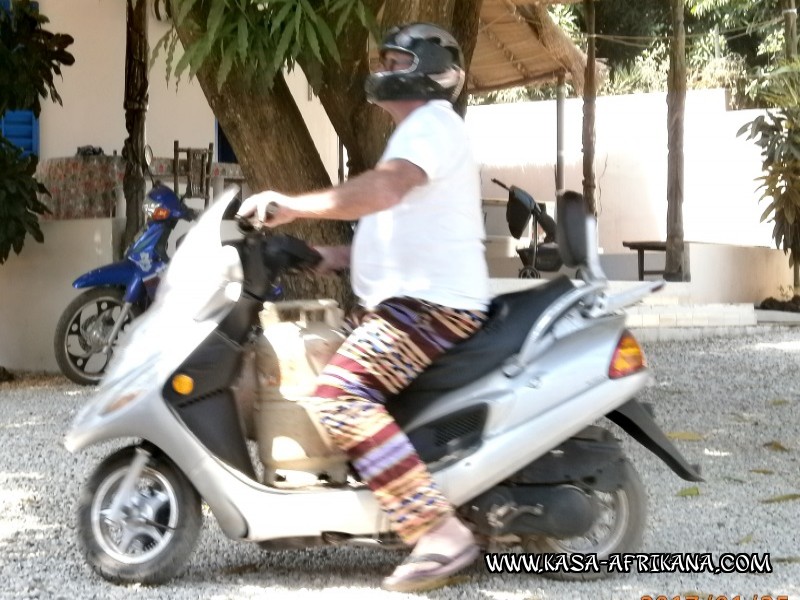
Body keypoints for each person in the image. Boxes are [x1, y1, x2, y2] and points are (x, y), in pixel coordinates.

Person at [237, 22, 490, 592]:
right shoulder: (416, 134)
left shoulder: (431, 126)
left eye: (400, 63)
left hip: (429, 306)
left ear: (432, 72)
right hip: (403, 301)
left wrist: (293, 206)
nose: (386, 70)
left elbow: (383, 192)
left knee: (340, 398)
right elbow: (397, 230)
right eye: (388, 61)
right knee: (288, 372)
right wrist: (319, 255)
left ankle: (439, 533)